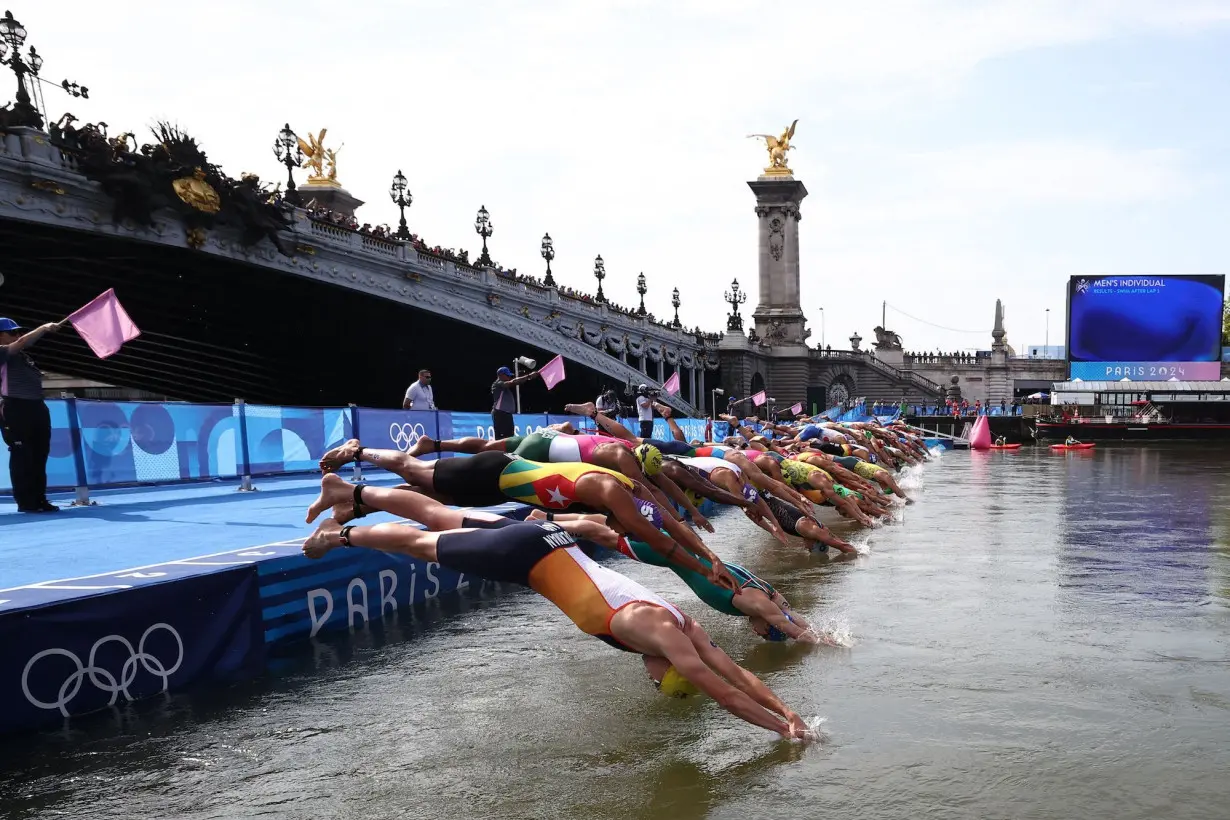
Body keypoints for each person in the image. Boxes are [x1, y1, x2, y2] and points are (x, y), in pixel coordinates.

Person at [300, 492, 812, 738]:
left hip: (547, 535)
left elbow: (737, 674)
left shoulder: (680, 623)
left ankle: (353, 496)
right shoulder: (658, 632)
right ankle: (337, 536)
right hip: (525, 555)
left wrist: (787, 708)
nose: (652, 681)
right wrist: (783, 731)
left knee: (436, 514)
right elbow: (723, 690)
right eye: (660, 681)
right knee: (420, 542)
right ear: (668, 665)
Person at [0, 317, 63, 513]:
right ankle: (26, 501)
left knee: (39, 454)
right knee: (22, 454)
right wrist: (44, 327)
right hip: (15, 407)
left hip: (36, 406)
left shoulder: (23, 357)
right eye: (13, 332)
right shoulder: (3, 352)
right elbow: (21, 343)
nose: (18, 335)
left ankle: (39, 498)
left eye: (19, 332)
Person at [491, 365, 539, 439]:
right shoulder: (497, 384)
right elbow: (513, 382)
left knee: (510, 437)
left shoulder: (504, 387)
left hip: (507, 415)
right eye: (507, 375)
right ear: (501, 375)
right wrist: (529, 376)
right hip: (500, 414)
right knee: (501, 438)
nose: (509, 377)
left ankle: (507, 451)